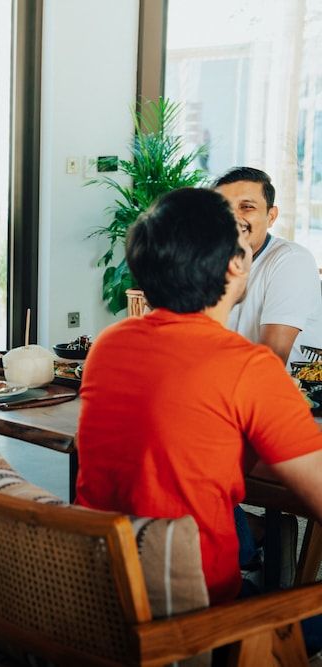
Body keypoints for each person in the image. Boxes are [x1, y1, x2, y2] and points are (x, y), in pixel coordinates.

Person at [76, 188, 322, 612]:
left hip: (97, 585)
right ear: (237, 263)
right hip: (187, 609)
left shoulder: (109, 344)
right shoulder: (249, 367)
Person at [214, 167, 322, 366]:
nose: (233, 217)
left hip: (288, 389)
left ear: (271, 216)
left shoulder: (291, 261)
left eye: (247, 207)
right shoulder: (210, 262)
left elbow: (272, 359)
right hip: (226, 382)